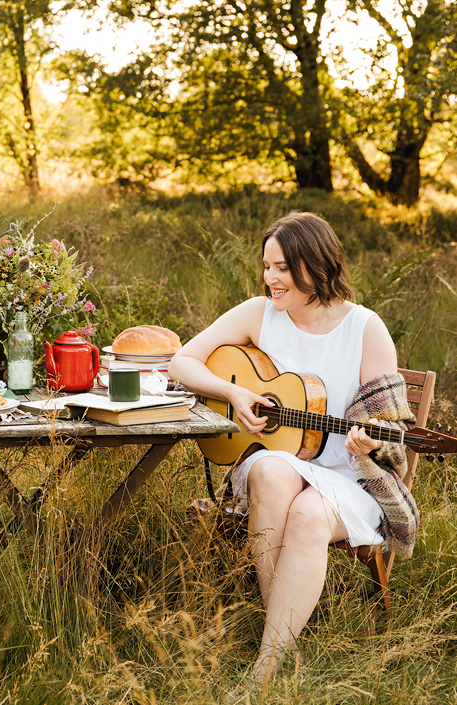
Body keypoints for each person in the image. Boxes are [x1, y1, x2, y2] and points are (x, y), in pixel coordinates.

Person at [168, 212, 418, 684]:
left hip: (349, 473)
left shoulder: (365, 327)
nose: (270, 279)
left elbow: (390, 434)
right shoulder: (258, 313)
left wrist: (368, 442)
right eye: (266, 267)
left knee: (307, 515)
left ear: (316, 264)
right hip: (278, 459)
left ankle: (265, 666)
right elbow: (181, 361)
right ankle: (281, 641)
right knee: (271, 471)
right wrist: (234, 393)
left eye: (282, 268)